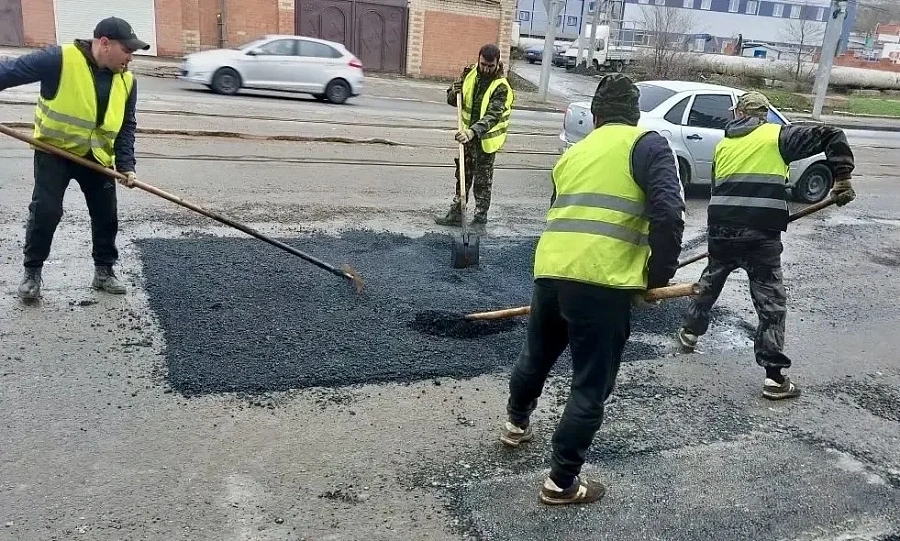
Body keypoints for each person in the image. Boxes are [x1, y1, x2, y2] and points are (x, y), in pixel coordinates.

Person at [499, 74, 686, 506]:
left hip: (551, 271)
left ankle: (515, 425)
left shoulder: (573, 153)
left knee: (537, 356)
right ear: (634, 115)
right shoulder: (648, 145)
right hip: (602, 283)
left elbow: (558, 213)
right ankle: (561, 483)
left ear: (596, 116)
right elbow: (670, 214)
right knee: (590, 383)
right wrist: (656, 278)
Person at [676, 91, 857, 400]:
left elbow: (719, 188)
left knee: (709, 283)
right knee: (770, 303)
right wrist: (841, 179)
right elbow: (832, 133)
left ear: (737, 113)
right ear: (764, 115)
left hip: (722, 231)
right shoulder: (778, 136)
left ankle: (690, 333)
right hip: (760, 236)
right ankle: (774, 378)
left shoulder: (724, 145)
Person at [0, 17, 148, 301]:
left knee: (106, 215)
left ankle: (103, 271)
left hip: (97, 156)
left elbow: (126, 126)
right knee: (46, 211)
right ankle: (32, 273)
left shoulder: (128, 81)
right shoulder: (59, 59)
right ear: (104, 43)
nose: (131, 57)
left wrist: (127, 165)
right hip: (55, 152)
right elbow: (9, 71)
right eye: (127, 50)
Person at [435, 44, 514, 227]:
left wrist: (472, 132)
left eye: (490, 66)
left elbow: (493, 116)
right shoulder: (469, 73)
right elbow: (453, 100)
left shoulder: (501, 86)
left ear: (497, 63)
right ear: (479, 59)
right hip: (467, 137)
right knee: (462, 175)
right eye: (483, 64)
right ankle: (456, 214)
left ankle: (479, 219)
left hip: (485, 140)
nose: (486, 69)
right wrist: (454, 92)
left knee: (482, 181)